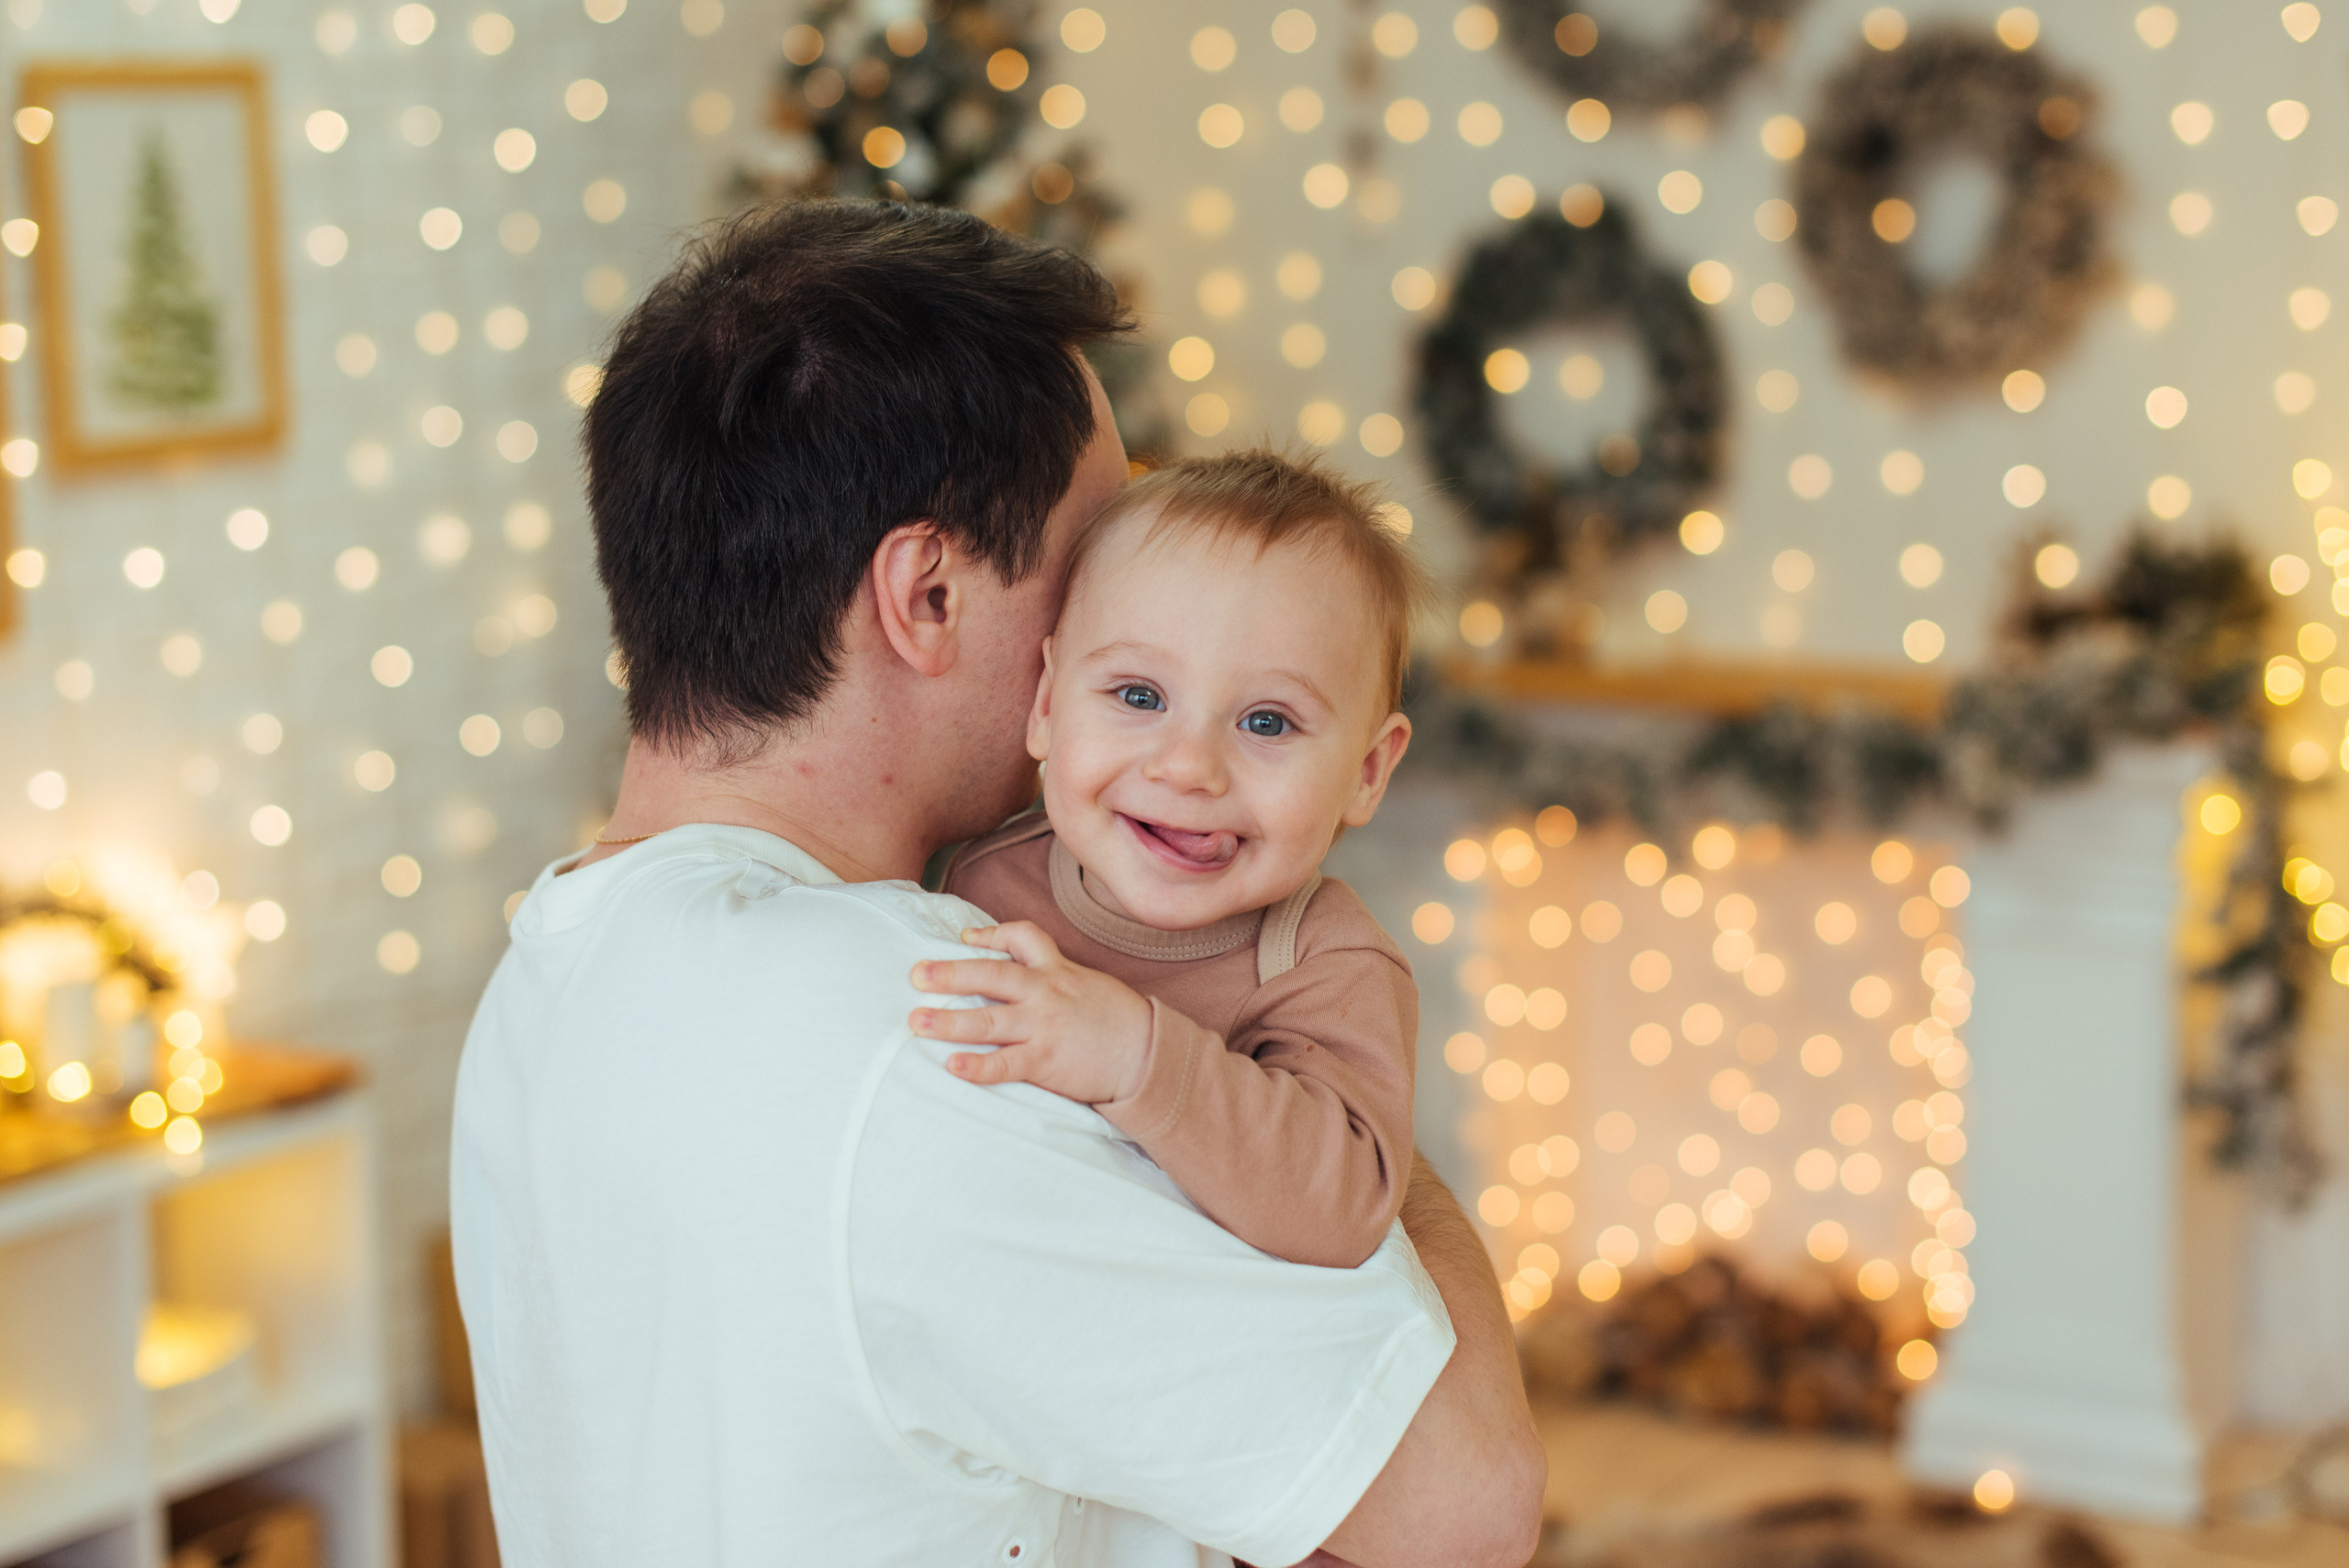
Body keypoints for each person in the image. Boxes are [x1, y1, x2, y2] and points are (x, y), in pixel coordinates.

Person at [450, 199, 1543, 1568]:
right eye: (1094, 572)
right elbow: (1464, 1503)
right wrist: (1299, 1059)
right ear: (927, 596)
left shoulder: (554, 965)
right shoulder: (939, 1028)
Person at [927, 452, 1430, 1272]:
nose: (1189, 766)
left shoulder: (1323, 962)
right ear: (1050, 704)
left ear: (1367, 771)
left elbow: (1348, 1207)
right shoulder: (979, 878)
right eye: (1139, 696)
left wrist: (1133, 1053)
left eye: (1267, 722)